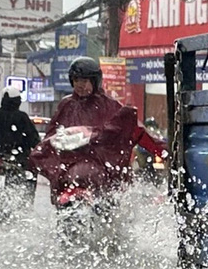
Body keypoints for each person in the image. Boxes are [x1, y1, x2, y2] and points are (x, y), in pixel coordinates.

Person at [30, 57, 165, 200]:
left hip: (102, 171)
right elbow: (52, 134)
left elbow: (135, 130)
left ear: (95, 81)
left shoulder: (110, 106)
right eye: (77, 80)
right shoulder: (66, 105)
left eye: (85, 81)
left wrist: (163, 150)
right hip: (69, 170)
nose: (81, 85)